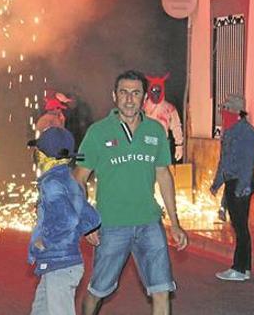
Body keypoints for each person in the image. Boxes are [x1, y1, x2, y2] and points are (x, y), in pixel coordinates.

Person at [74, 69, 187, 315]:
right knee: (97, 291)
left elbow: (163, 175)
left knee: (161, 290)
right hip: (112, 225)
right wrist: (87, 221)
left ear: (144, 97)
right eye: (123, 93)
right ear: (114, 96)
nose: (129, 99)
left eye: (135, 93)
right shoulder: (98, 132)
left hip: (149, 223)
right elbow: (79, 179)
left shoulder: (155, 131)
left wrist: (175, 224)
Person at [28, 127, 100, 315]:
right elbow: (91, 216)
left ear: (44, 156)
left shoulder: (51, 183)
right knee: (40, 310)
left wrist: (45, 241)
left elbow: (68, 220)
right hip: (64, 262)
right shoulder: (69, 180)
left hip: (59, 263)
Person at [210, 93, 254, 281]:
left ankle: (238, 268)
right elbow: (224, 161)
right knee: (239, 226)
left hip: (241, 182)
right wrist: (217, 183)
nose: (224, 112)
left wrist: (242, 187)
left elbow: (248, 162)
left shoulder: (247, 132)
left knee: (240, 227)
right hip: (232, 181)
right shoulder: (229, 131)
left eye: (227, 109)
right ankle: (244, 268)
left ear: (238, 111)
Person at [143, 73, 185, 162]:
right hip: (144, 144)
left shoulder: (169, 108)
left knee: (161, 171)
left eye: (158, 91)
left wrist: (179, 145)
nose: (155, 94)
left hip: (162, 145)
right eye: (153, 90)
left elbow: (176, 127)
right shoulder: (143, 106)